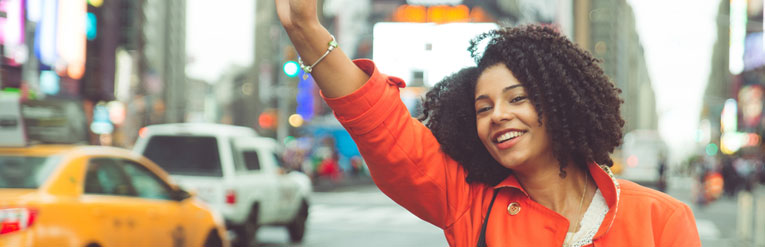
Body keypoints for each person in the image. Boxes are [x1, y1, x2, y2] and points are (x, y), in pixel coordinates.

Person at [275, 0, 701, 246]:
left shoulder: (661, 219)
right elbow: (382, 125)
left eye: (517, 98)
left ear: (561, 105)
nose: (498, 115)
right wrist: (307, 31)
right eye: (483, 108)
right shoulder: (468, 202)